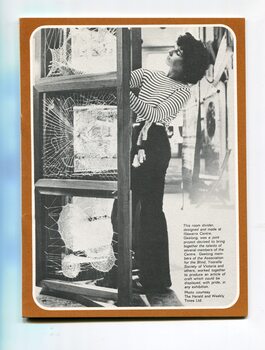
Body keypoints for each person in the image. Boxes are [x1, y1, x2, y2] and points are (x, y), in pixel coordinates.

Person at [112, 32, 209, 293]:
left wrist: (125, 94)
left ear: (187, 66)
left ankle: (154, 279)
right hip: (131, 139)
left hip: (154, 146)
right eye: (176, 48)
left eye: (179, 52)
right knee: (118, 205)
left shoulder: (183, 92)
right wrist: (121, 87)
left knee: (150, 212)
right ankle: (118, 271)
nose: (173, 52)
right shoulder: (148, 74)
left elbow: (153, 114)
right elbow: (118, 80)